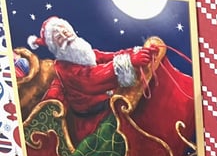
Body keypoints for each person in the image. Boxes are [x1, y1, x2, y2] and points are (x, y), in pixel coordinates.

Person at [27, 16, 154, 144]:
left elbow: (108, 57)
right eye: (59, 37)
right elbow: (92, 79)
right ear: (55, 47)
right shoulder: (65, 68)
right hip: (94, 121)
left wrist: (136, 53)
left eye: (64, 30)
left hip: (109, 103)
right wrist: (130, 61)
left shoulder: (82, 52)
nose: (65, 36)